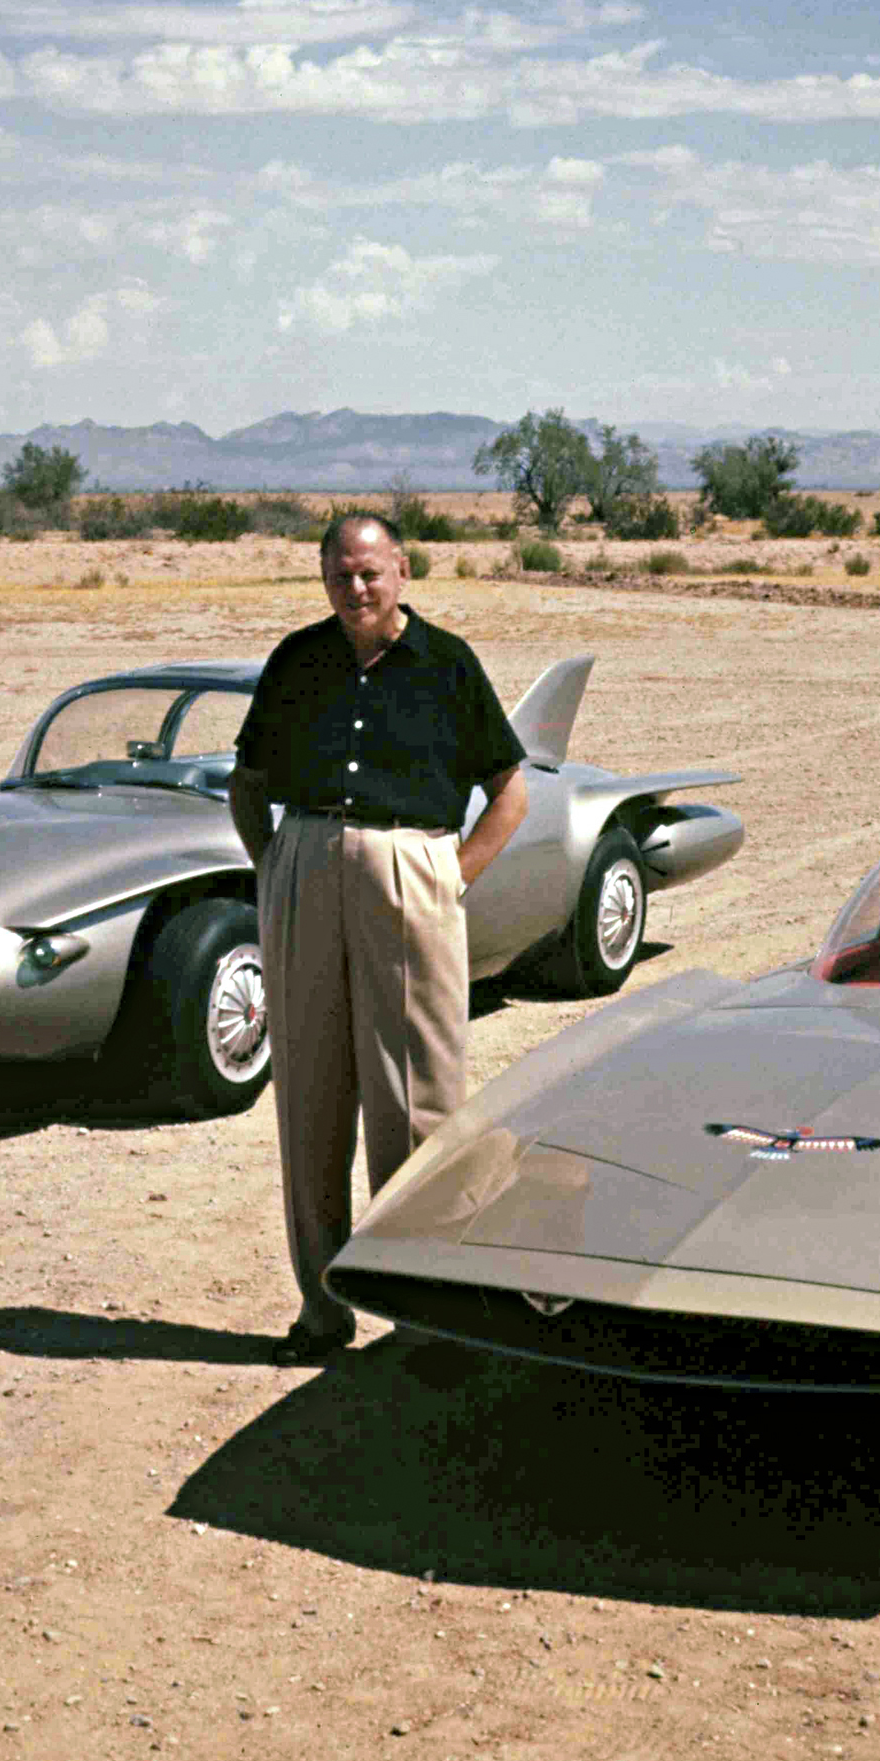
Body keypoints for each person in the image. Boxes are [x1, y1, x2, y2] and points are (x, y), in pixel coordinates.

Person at [229, 513, 529, 1364]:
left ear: (402, 570)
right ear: (323, 579)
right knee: (311, 1100)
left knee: (420, 1103)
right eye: (340, 576)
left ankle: (425, 1315)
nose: (356, 590)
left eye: (370, 573)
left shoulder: (448, 666)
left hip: (414, 873)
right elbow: (247, 785)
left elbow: (510, 792)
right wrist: (277, 870)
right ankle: (321, 1311)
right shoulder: (296, 662)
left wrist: (451, 876)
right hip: (305, 866)